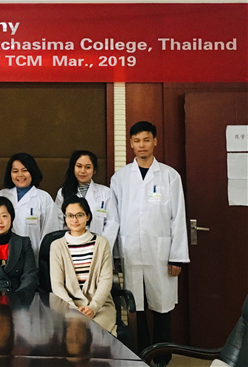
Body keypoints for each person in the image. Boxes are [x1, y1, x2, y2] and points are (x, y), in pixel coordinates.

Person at [110, 121, 189, 362]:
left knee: (162, 307)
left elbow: (178, 217)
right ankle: (142, 358)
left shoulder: (169, 176)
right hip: (130, 251)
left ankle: (162, 359)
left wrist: (177, 257)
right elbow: (114, 219)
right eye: (137, 140)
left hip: (161, 253)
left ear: (155, 141)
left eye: (146, 139)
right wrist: (115, 255)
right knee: (137, 309)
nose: (141, 145)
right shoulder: (120, 178)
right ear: (131, 143)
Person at [49, 196, 116, 335]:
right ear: (65, 218)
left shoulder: (101, 243)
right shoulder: (57, 246)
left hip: (100, 306)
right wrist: (73, 308)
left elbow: (105, 281)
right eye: (70, 215)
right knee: (73, 333)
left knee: (95, 333)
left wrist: (93, 307)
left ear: (88, 216)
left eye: (79, 215)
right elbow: (57, 285)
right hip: (67, 306)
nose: (74, 220)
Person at [54, 150, 120, 250]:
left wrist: (101, 247)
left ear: (94, 170)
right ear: (73, 168)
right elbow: (59, 223)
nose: (83, 171)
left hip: (99, 248)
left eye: (88, 167)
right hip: (71, 248)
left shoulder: (106, 192)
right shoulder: (63, 192)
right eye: (79, 166)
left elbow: (112, 222)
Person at [0, 153, 58, 261]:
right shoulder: (1, 196)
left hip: (34, 258)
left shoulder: (44, 198)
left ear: (32, 172)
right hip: (4, 257)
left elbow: (50, 232)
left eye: (25, 170)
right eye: (15, 171)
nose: (20, 175)